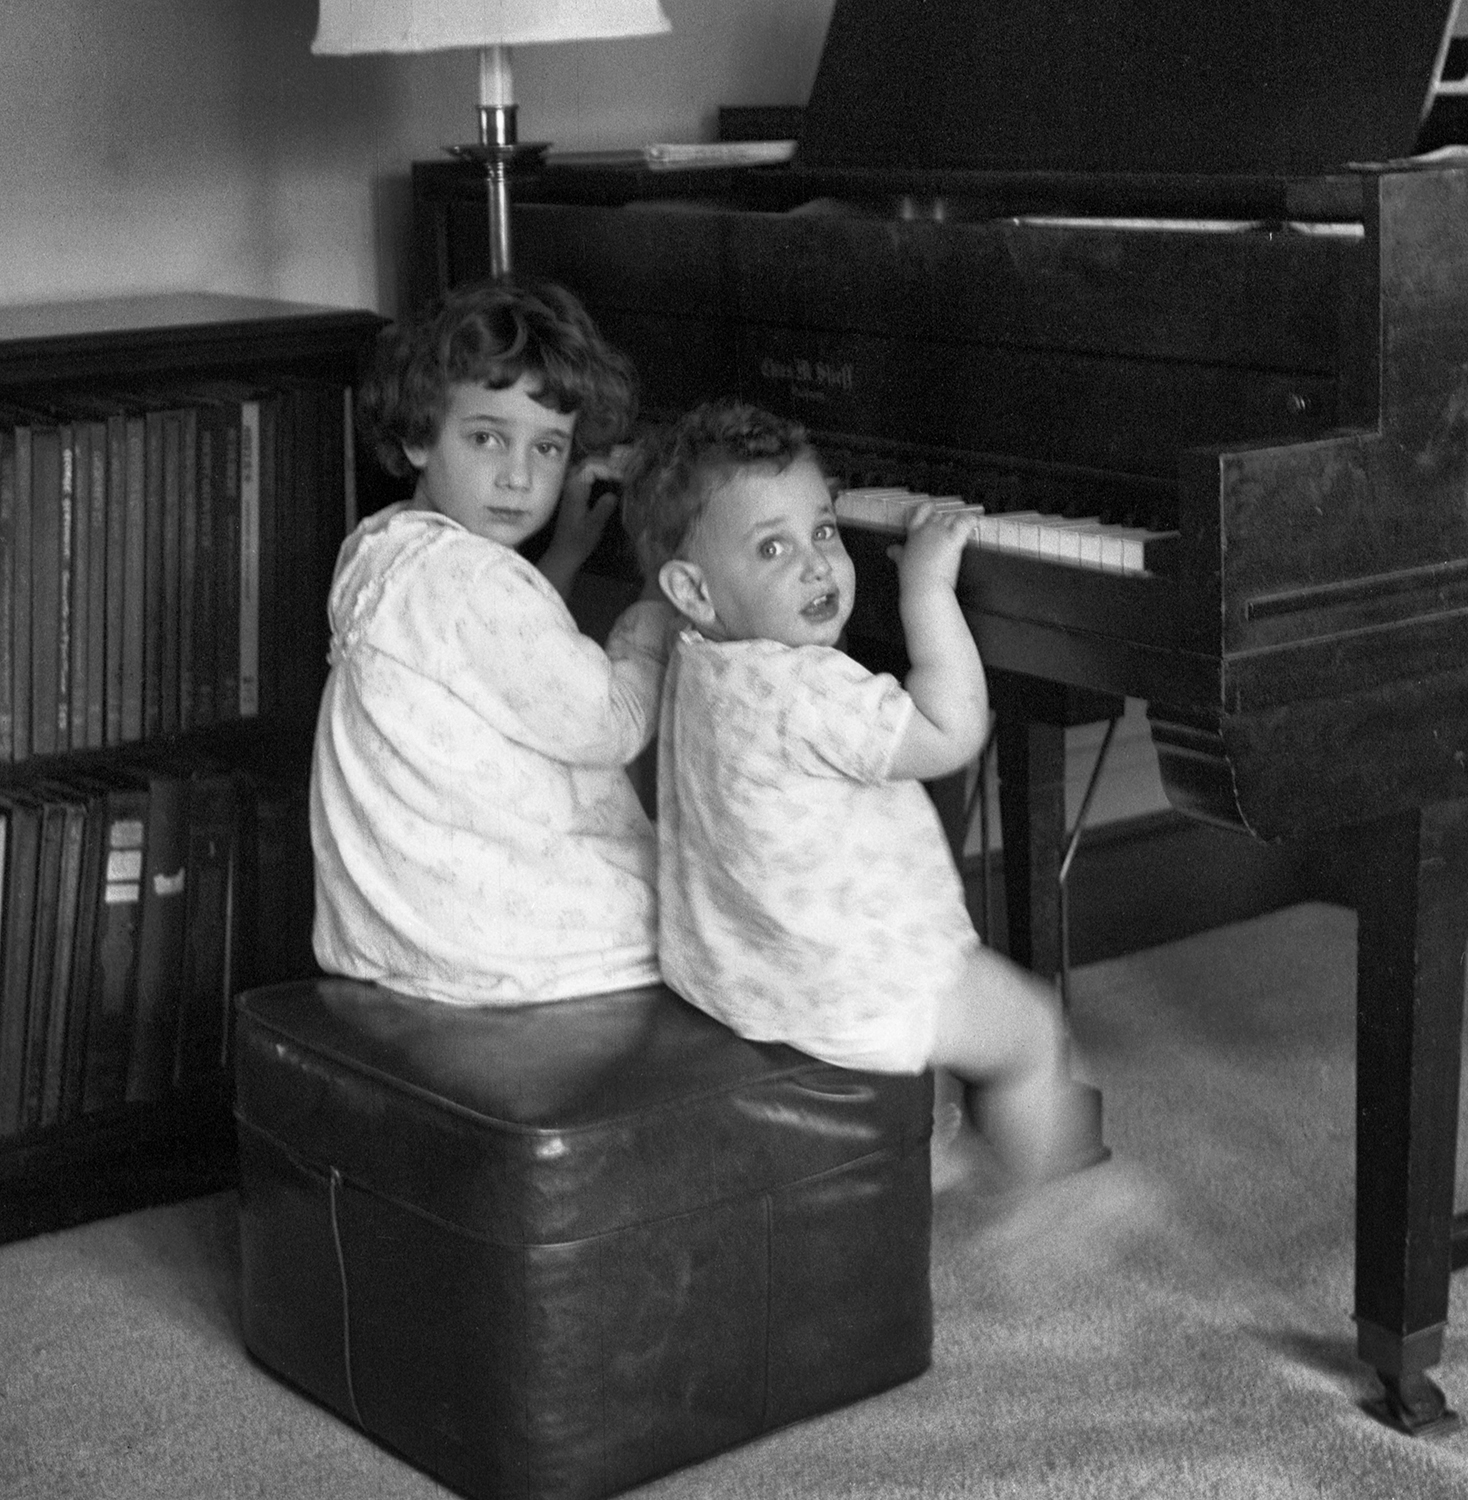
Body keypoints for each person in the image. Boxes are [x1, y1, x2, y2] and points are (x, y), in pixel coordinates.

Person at [621, 400, 1098, 1192]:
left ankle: (934, 1148)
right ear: (696, 591)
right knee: (1031, 1031)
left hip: (737, 968)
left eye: (825, 531)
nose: (815, 566)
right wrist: (927, 591)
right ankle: (1045, 1190)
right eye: (772, 547)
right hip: (844, 987)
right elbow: (951, 731)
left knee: (956, 1015)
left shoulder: (696, 656)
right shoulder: (810, 689)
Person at [310, 279, 674, 1005]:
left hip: (394, 929)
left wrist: (562, 561)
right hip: (501, 946)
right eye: (486, 438)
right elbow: (614, 724)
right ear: (417, 436)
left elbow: (498, 671)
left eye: (547, 448)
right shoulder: (474, 581)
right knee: (728, 910)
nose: (518, 476)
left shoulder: (380, 549)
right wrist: (659, 600)